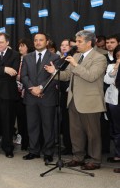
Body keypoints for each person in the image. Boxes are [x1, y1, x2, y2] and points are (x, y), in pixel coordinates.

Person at [46, 30, 108, 170]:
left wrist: (75, 64)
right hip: (73, 99)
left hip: (90, 102)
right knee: (75, 131)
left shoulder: (99, 58)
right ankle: (78, 157)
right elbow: (68, 75)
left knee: (93, 134)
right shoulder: (77, 55)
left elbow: (91, 76)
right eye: (76, 41)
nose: (76, 44)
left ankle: (95, 160)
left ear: (89, 42)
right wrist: (54, 73)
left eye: (79, 41)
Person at [20, 33, 61, 163]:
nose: (38, 42)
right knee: (32, 125)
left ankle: (48, 152)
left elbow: (54, 77)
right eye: (36, 40)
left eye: (41, 40)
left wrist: (42, 88)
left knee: (48, 126)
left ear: (47, 42)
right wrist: (32, 89)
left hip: (47, 96)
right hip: (31, 96)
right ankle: (33, 151)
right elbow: (24, 76)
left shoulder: (55, 57)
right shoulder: (27, 57)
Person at [104, 46, 120, 169]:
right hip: (115, 102)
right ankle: (118, 154)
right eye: (118, 55)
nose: (119, 57)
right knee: (116, 129)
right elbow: (108, 80)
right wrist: (116, 66)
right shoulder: (111, 66)